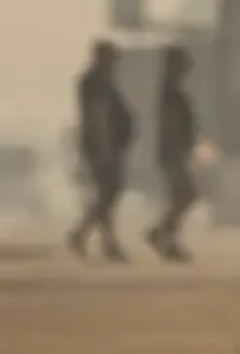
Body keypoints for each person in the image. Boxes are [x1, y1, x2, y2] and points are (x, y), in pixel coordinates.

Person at [67, 40, 134, 262]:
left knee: (107, 194)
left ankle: (104, 241)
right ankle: (83, 234)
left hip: (103, 145)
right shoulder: (96, 83)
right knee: (108, 193)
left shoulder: (98, 81)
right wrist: (105, 146)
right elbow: (99, 116)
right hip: (101, 146)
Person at [145, 45, 201, 263]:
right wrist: (177, 149)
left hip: (174, 152)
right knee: (185, 194)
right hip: (172, 152)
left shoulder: (172, 92)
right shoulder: (171, 93)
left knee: (181, 196)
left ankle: (165, 237)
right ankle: (163, 236)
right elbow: (170, 124)